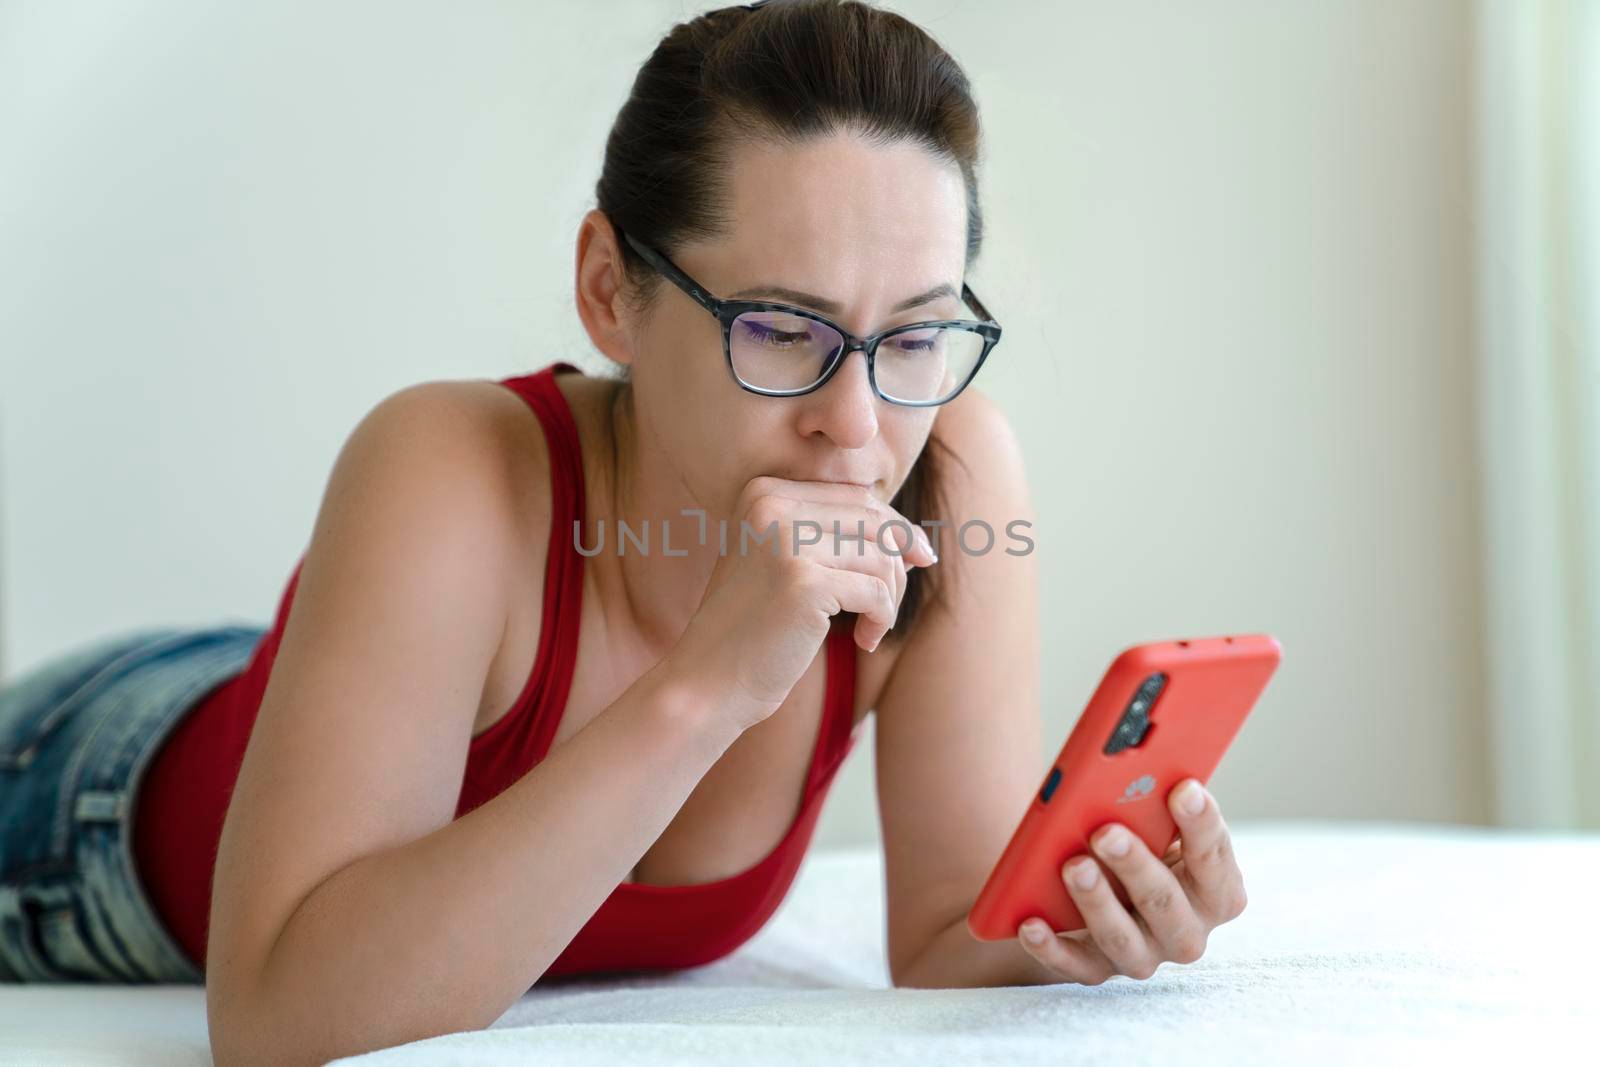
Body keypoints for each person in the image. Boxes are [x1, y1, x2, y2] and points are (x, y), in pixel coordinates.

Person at [0, 0, 1248, 1061]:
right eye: (779, 328)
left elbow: (942, 938)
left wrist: (1087, 924)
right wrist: (708, 685)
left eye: (915, 335)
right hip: (81, 793)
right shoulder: (448, 466)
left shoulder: (954, 468)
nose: (856, 423)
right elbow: (275, 1015)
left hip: (300, 680)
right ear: (610, 289)